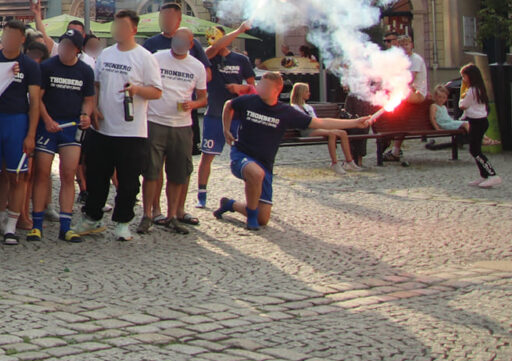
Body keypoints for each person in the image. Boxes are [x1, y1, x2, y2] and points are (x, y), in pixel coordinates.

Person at [217, 72, 375, 229]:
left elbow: (321, 123)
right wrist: (226, 129)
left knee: (263, 219)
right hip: (241, 155)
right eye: (260, 85)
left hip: (265, 163)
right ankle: (250, 218)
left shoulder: (285, 112)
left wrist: (355, 122)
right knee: (255, 173)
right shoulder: (249, 101)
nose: (260, 88)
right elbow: (229, 105)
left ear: (276, 90)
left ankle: (230, 204)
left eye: (265, 86)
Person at [76, 9, 161, 242]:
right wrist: (93, 108)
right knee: (96, 176)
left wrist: (137, 90)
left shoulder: (145, 57)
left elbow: (156, 91)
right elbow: (95, 85)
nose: (117, 30)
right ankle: (92, 218)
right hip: (102, 128)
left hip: (131, 132)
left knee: (129, 181)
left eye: (122, 26)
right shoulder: (105, 54)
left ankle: (123, 222)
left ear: (133, 29)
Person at [0, 19, 42, 244]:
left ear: (22, 40)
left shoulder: (30, 66)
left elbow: (34, 103)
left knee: (17, 176)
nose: (8, 40)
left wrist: (31, 134)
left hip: (17, 122)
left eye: (13, 36)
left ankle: (11, 225)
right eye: (6, 36)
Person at [32, 29, 95, 242]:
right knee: (41, 173)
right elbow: (37, 98)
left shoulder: (85, 71)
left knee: (68, 174)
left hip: (71, 126)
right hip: (48, 125)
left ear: (77, 50)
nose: (64, 49)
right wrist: (47, 120)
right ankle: (37, 224)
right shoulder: (47, 66)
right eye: (62, 44)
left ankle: (66, 226)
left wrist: (86, 115)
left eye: (69, 46)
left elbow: (88, 99)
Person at [143, 28, 206, 234]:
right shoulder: (156, 58)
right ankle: (148, 215)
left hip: (182, 125)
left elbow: (204, 97)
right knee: (152, 171)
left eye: (183, 40)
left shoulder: (197, 67)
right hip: (155, 121)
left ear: (190, 44)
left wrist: (193, 104)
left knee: (178, 173)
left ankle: (172, 216)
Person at [196, 25, 258, 206]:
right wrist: (239, 30)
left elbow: (253, 88)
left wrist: (240, 88)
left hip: (237, 115)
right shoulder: (209, 57)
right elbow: (214, 49)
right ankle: (202, 195)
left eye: (217, 37)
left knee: (248, 157)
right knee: (207, 156)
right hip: (214, 114)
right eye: (211, 37)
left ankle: (254, 197)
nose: (214, 41)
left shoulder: (241, 59)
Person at [288, 82, 355, 174]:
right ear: (300, 93)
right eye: (306, 91)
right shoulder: (294, 108)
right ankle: (334, 163)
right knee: (331, 133)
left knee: (342, 133)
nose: (309, 93)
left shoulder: (308, 107)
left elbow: (315, 120)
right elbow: (303, 123)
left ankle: (349, 161)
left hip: (315, 128)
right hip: (306, 130)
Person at [458, 64, 501, 188]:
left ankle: (493, 175)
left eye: (464, 77)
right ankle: (484, 175)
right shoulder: (479, 89)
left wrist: (463, 91)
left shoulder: (472, 90)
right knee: (475, 149)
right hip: (479, 121)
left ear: (470, 76)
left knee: (475, 150)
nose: (463, 80)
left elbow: (463, 105)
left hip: (477, 122)